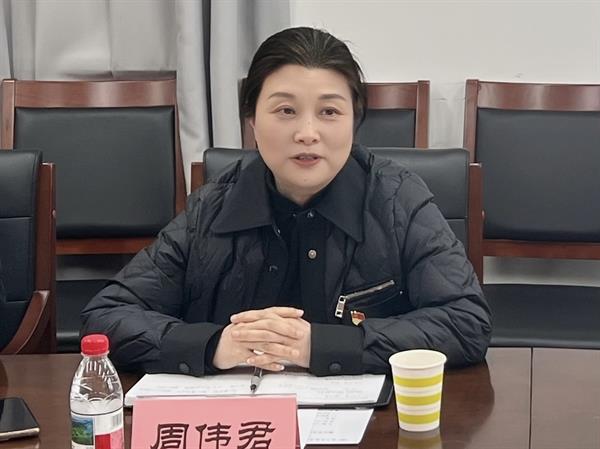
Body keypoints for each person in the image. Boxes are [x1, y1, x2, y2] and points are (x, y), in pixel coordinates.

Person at [82, 27, 491, 377]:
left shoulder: (398, 200)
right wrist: (215, 345)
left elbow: (465, 322)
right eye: (285, 110)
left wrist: (322, 346)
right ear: (252, 119)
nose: (307, 132)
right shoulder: (211, 209)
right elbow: (106, 318)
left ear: (355, 120)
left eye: (329, 111)